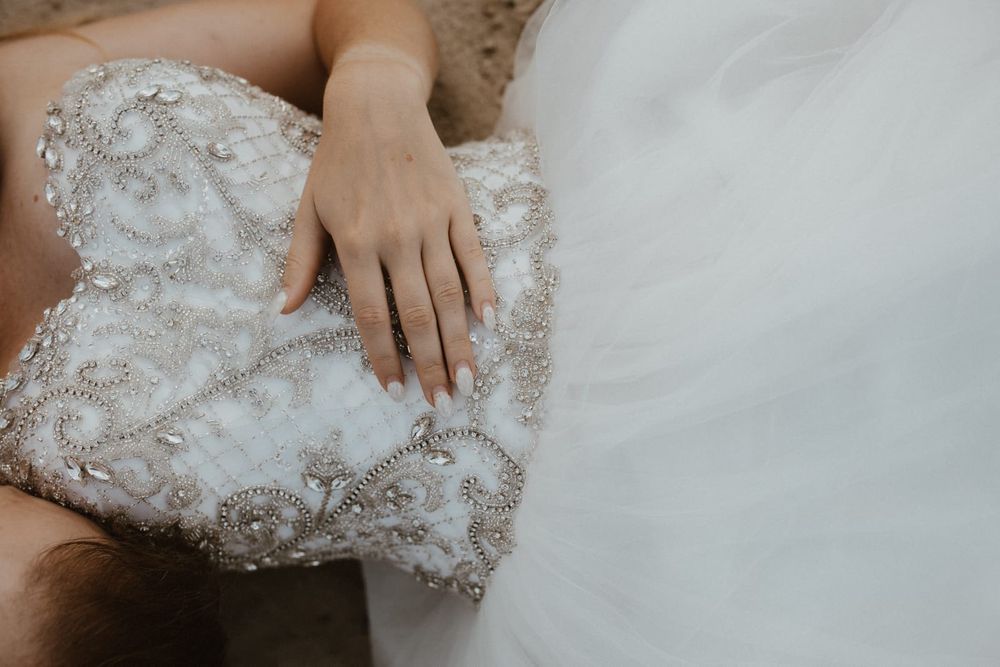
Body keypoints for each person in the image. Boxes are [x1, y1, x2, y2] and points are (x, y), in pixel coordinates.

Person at [3, 1, 1000, 666]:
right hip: (632, 526)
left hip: (639, 220)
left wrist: (373, 89)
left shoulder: (16, 82)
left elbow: (332, 12)